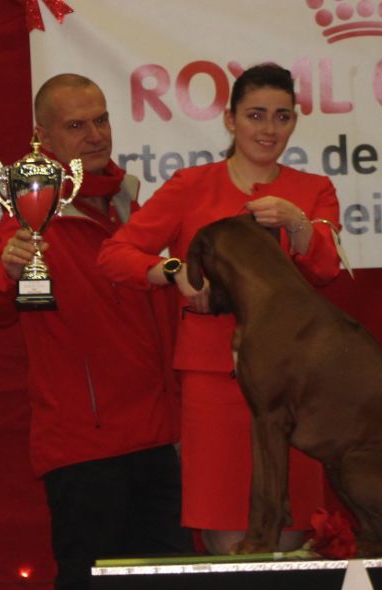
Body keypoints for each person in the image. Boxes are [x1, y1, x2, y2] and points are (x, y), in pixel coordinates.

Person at [0, 74, 189, 590]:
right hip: (85, 449)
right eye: (76, 125)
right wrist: (11, 271)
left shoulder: (138, 207)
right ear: (42, 137)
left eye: (101, 120)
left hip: (160, 439)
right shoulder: (31, 212)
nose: (95, 136)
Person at [97, 63, 343, 555]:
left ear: (294, 121)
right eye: (255, 115)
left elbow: (327, 269)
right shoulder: (192, 185)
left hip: (295, 378)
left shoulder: (313, 191)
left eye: (281, 116)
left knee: (291, 530)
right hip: (214, 376)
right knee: (225, 526)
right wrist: (174, 274)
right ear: (231, 120)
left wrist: (298, 225)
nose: (268, 129)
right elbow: (115, 256)